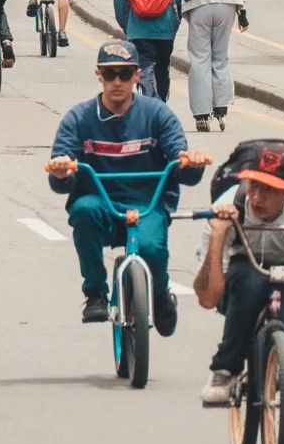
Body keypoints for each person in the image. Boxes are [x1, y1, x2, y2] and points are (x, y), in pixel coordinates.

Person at [46, 39, 210, 327]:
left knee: (152, 249)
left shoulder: (157, 114)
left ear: (137, 74)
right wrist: (61, 170)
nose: (117, 82)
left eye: (125, 73)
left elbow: (180, 160)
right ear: (99, 75)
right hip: (101, 206)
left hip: (147, 206)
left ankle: (160, 295)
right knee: (83, 212)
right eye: (110, 74)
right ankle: (95, 293)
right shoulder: (79, 118)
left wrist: (189, 162)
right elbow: (61, 171)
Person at [193, 141, 284, 405]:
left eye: (271, 190)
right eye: (255, 185)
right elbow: (207, 298)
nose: (259, 197)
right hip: (242, 268)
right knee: (249, 284)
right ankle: (225, 368)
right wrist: (218, 235)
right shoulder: (228, 205)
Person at [177, 0, 248, 132]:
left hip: (199, 5)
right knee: (220, 56)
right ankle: (221, 108)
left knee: (200, 58)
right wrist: (243, 13)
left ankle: (201, 114)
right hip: (227, 4)